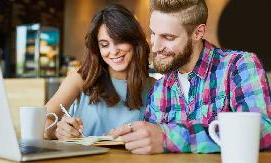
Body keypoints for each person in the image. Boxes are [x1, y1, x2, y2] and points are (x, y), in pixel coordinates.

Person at [109, 0, 271, 154]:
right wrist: (133, 139)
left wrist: (169, 137)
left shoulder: (239, 65)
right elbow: (153, 144)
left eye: (168, 37)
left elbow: (262, 130)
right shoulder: (160, 88)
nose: (155, 47)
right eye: (153, 33)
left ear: (198, 33)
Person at [44, 4, 154, 140]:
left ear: (134, 41)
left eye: (119, 41)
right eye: (104, 45)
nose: (113, 51)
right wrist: (56, 132)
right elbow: (42, 122)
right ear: (97, 48)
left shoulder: (154, 87)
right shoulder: (80, 79)